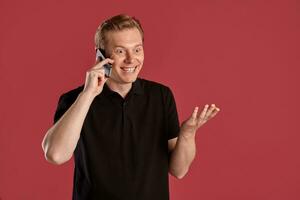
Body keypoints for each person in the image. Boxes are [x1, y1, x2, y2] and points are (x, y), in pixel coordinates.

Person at [41, 14, 220, 200]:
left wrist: (188, 135)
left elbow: (179, 171)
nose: (131, 59)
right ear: (100, 55)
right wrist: (88, 94)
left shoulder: (161, 96)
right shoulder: (75, 99)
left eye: (137, 50)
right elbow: (56, 155)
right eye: (120, 51)